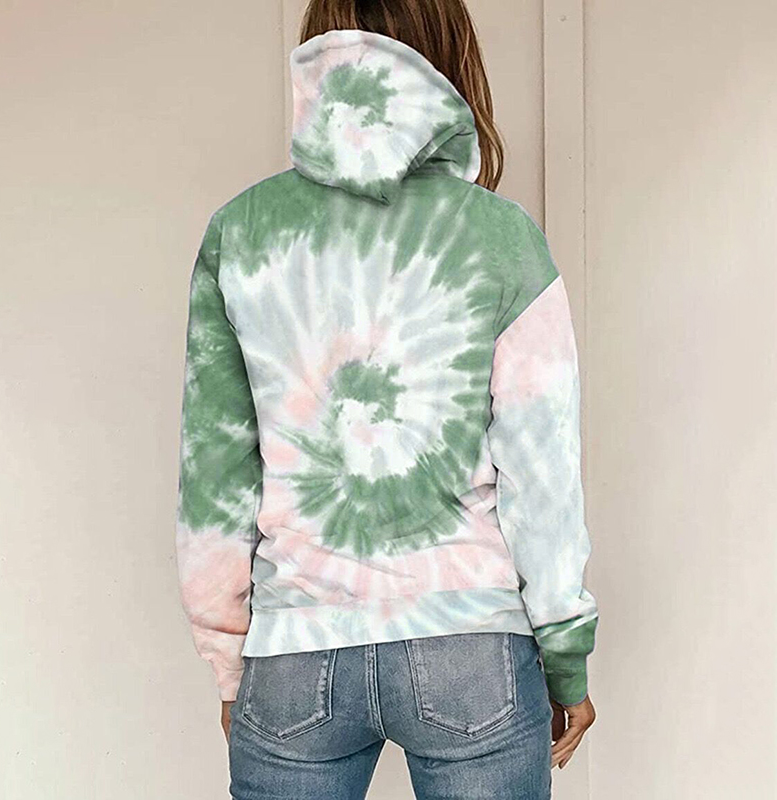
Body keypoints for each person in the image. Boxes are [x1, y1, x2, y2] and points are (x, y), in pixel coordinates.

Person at [175, 1, 599, 797]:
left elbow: (215, 478)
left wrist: (231, 662)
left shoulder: (241, 234)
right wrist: (565, 650)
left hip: (295, 652)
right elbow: (543, 471)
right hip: (470, 645)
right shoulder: (502, 236)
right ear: (448, 57)